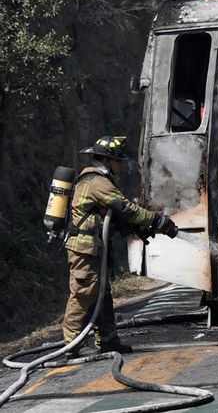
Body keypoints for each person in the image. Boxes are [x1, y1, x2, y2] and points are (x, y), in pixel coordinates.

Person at [62, 136, 178, 355]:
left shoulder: (100, 180)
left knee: (102, 293)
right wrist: (157, 220)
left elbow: (115, 215)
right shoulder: (97, 182)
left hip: (95, 247)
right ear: (107, 160)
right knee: (84, 293)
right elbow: (126, 209)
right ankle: (70, 345)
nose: (122, 166)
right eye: (119, 161)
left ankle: (107, 340)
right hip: (84, 248)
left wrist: (136, 228)